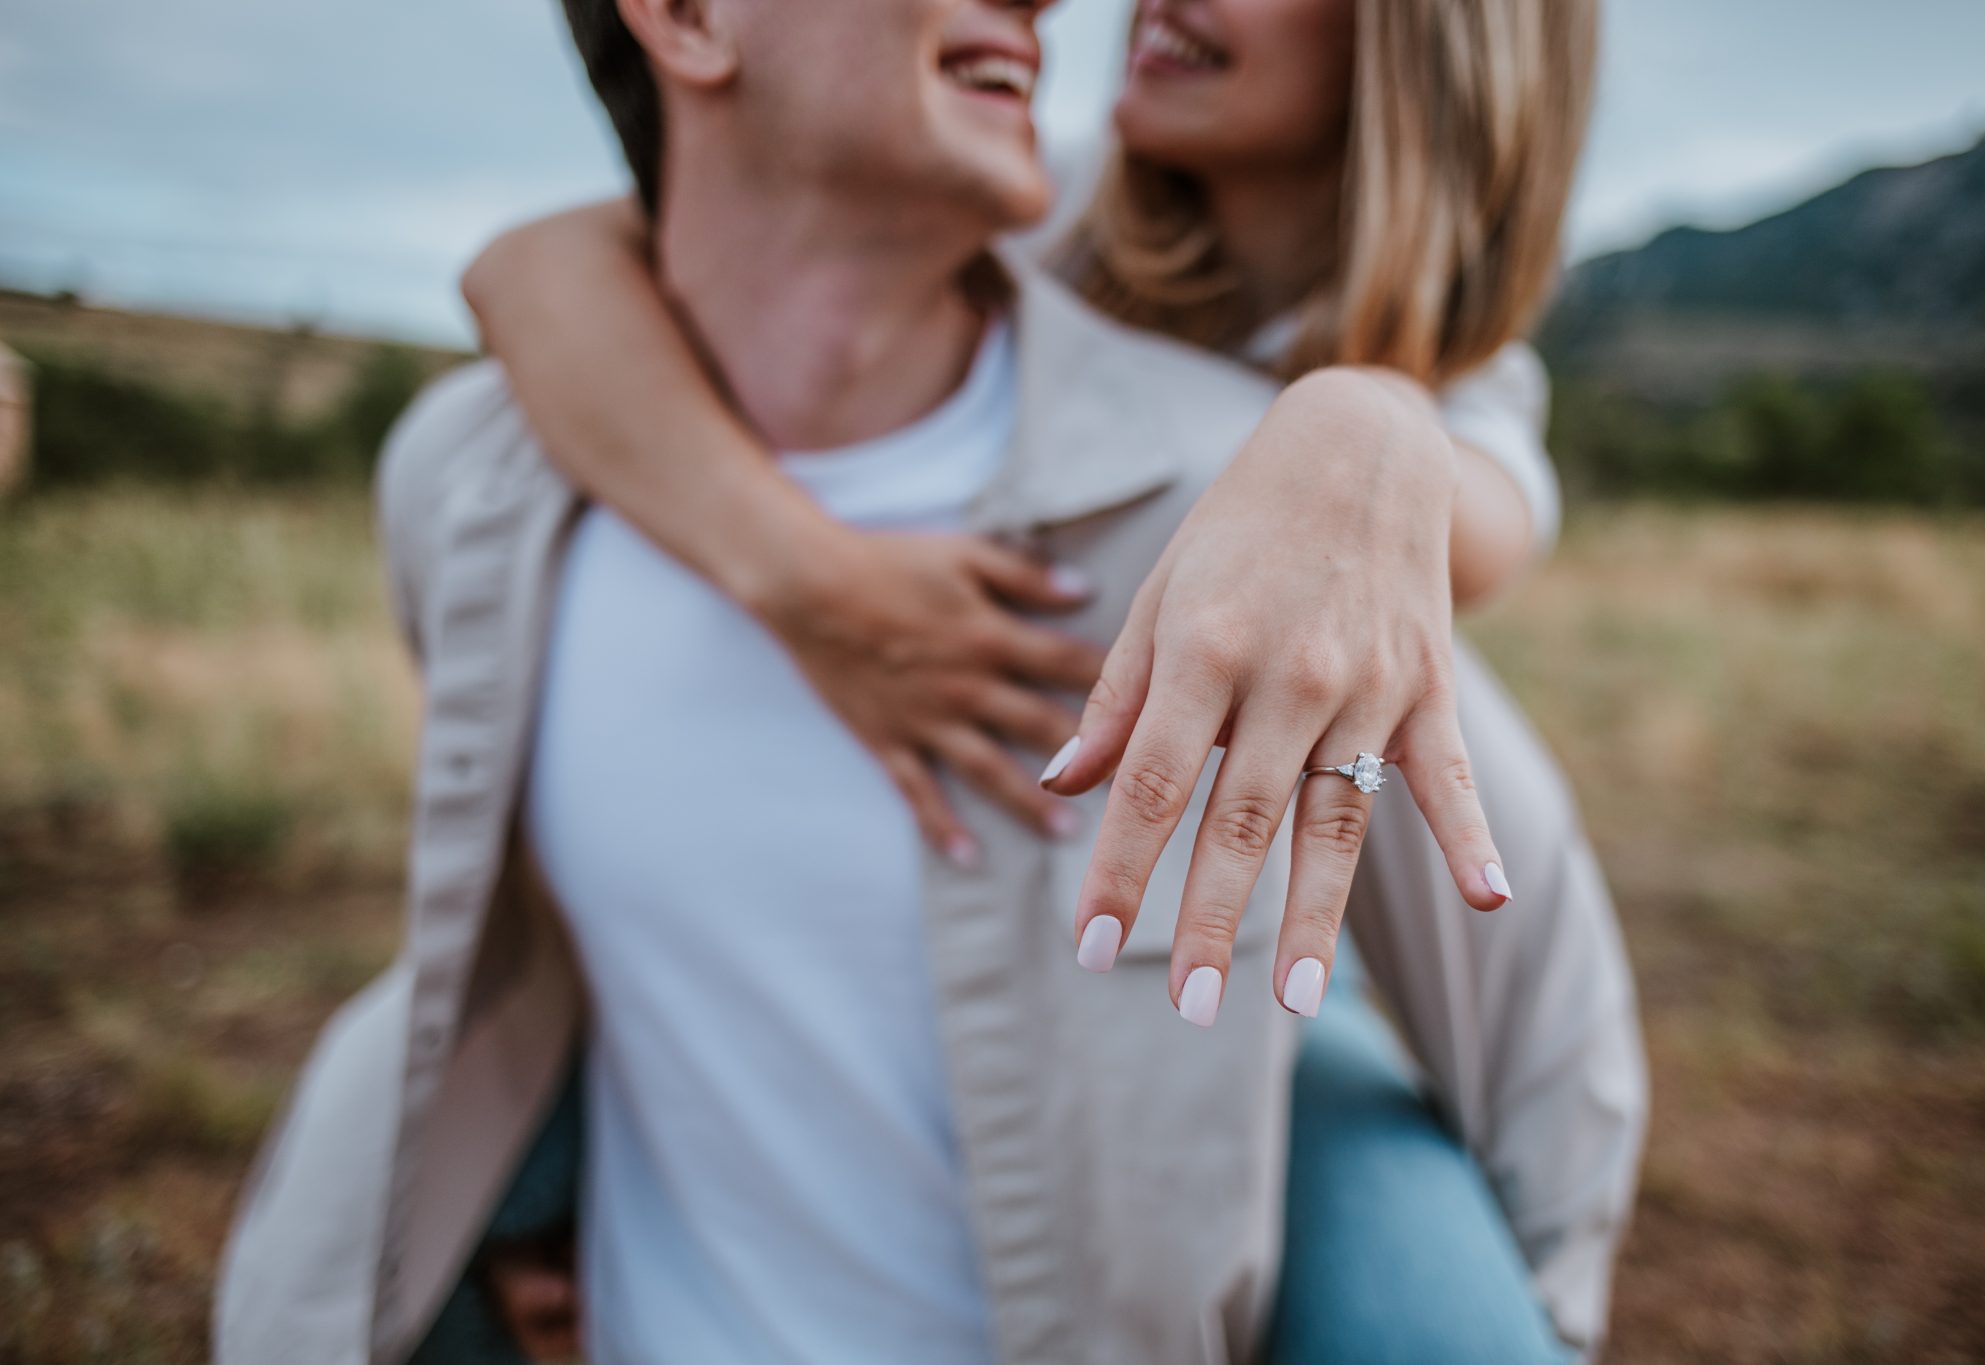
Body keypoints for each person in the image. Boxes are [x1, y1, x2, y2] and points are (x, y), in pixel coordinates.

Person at [214, 1, 1644, 1362]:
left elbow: (1544, 1021)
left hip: (1228, 1005)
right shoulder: (1064, 194)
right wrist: (807, 575)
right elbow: (540, 260)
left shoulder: (1286, 487)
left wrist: (1365, 428)